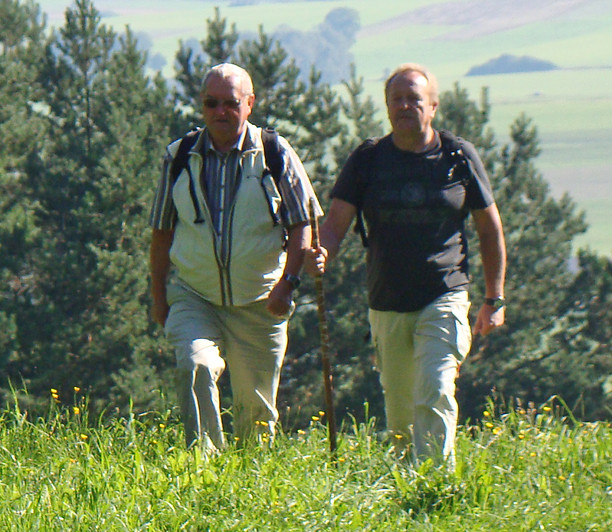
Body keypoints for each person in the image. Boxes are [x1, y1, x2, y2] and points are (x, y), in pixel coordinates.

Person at [312, 63, 506, 471]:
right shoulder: (368, 160)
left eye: (414, 99)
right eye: (396, 99)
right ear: (386, 108)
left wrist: (495, 298)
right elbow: (335, 225)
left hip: (445, 292)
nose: (404, 106)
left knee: (434, 390)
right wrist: (321, 252)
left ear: (432, 106)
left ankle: (435, 488)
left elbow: (489, 230)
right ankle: (406, 486)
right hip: (386, 302)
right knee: (400, 413)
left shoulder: (456, 156)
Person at [149, 63, 321, 451]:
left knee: (256, 413)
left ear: (250, 104)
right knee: (195, 366)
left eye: (230, 103)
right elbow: (161, 233)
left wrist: (288, 284)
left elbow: (302, 225)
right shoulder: (179, 157)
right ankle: (204, 470)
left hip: (261, 300)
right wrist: (159, 297)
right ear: (202, 105)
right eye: (211, 103)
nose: (220, 112)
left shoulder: (275, 153)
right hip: (195, 295)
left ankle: (249, 487)